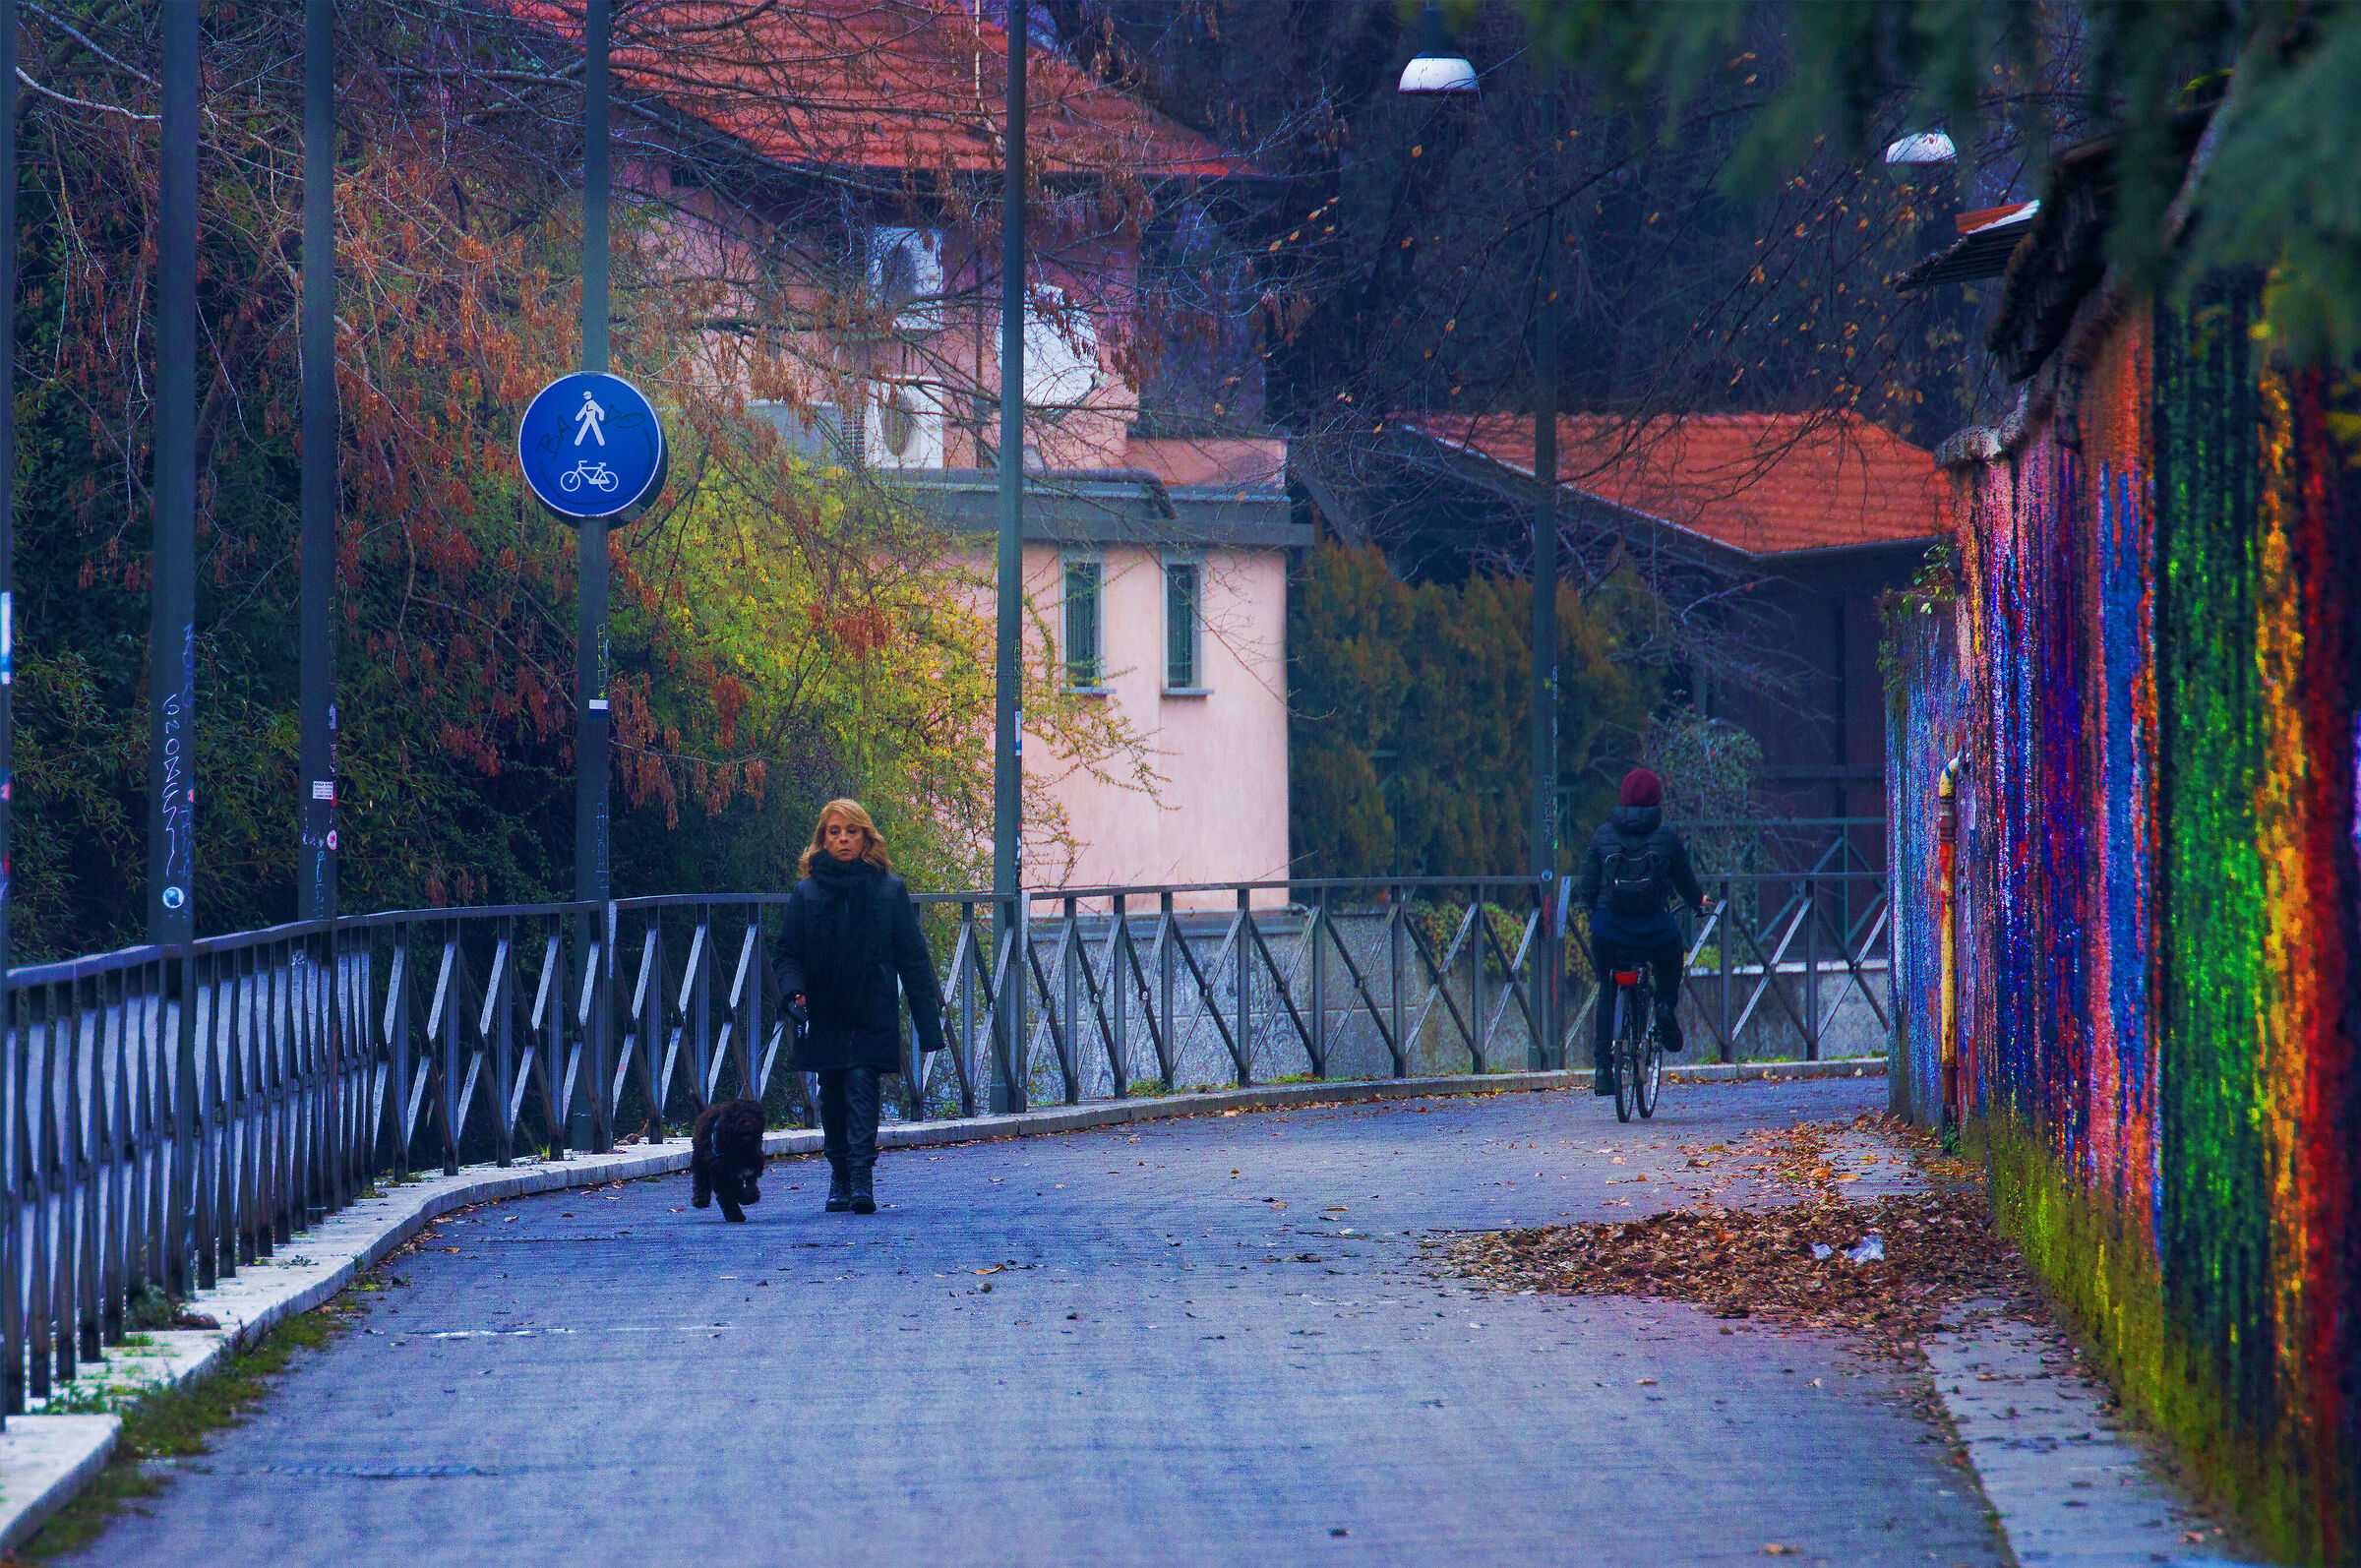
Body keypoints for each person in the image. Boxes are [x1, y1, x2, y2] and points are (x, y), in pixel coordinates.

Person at [772, 799, 947, 1213]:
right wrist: (793, 992)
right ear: (823, 840)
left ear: (866, 837)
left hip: (872, 1008)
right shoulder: (807, 893)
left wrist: (928, 1026)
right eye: (835, 832)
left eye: (851, 831)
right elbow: (787, 954)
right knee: (831, 1094)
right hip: (826, 1010)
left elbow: (913, 958)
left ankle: (862, 1178)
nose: (843, 839)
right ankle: (839, 1176)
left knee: (861, 1089)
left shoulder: (889, 891)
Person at [1577, 767, 1714, 1096]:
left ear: (1623, 798)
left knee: (1607, 988)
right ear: (1657, 801)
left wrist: (1596, 913)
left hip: (1609, 930)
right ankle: (1665, 1006)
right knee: (1670, 958)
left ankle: (1601, 1071)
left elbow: (1586, 888)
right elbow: (1685, 883)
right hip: (1654, 929)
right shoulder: (1666, 838)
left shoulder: (1602, 835)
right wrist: (1698, 902)